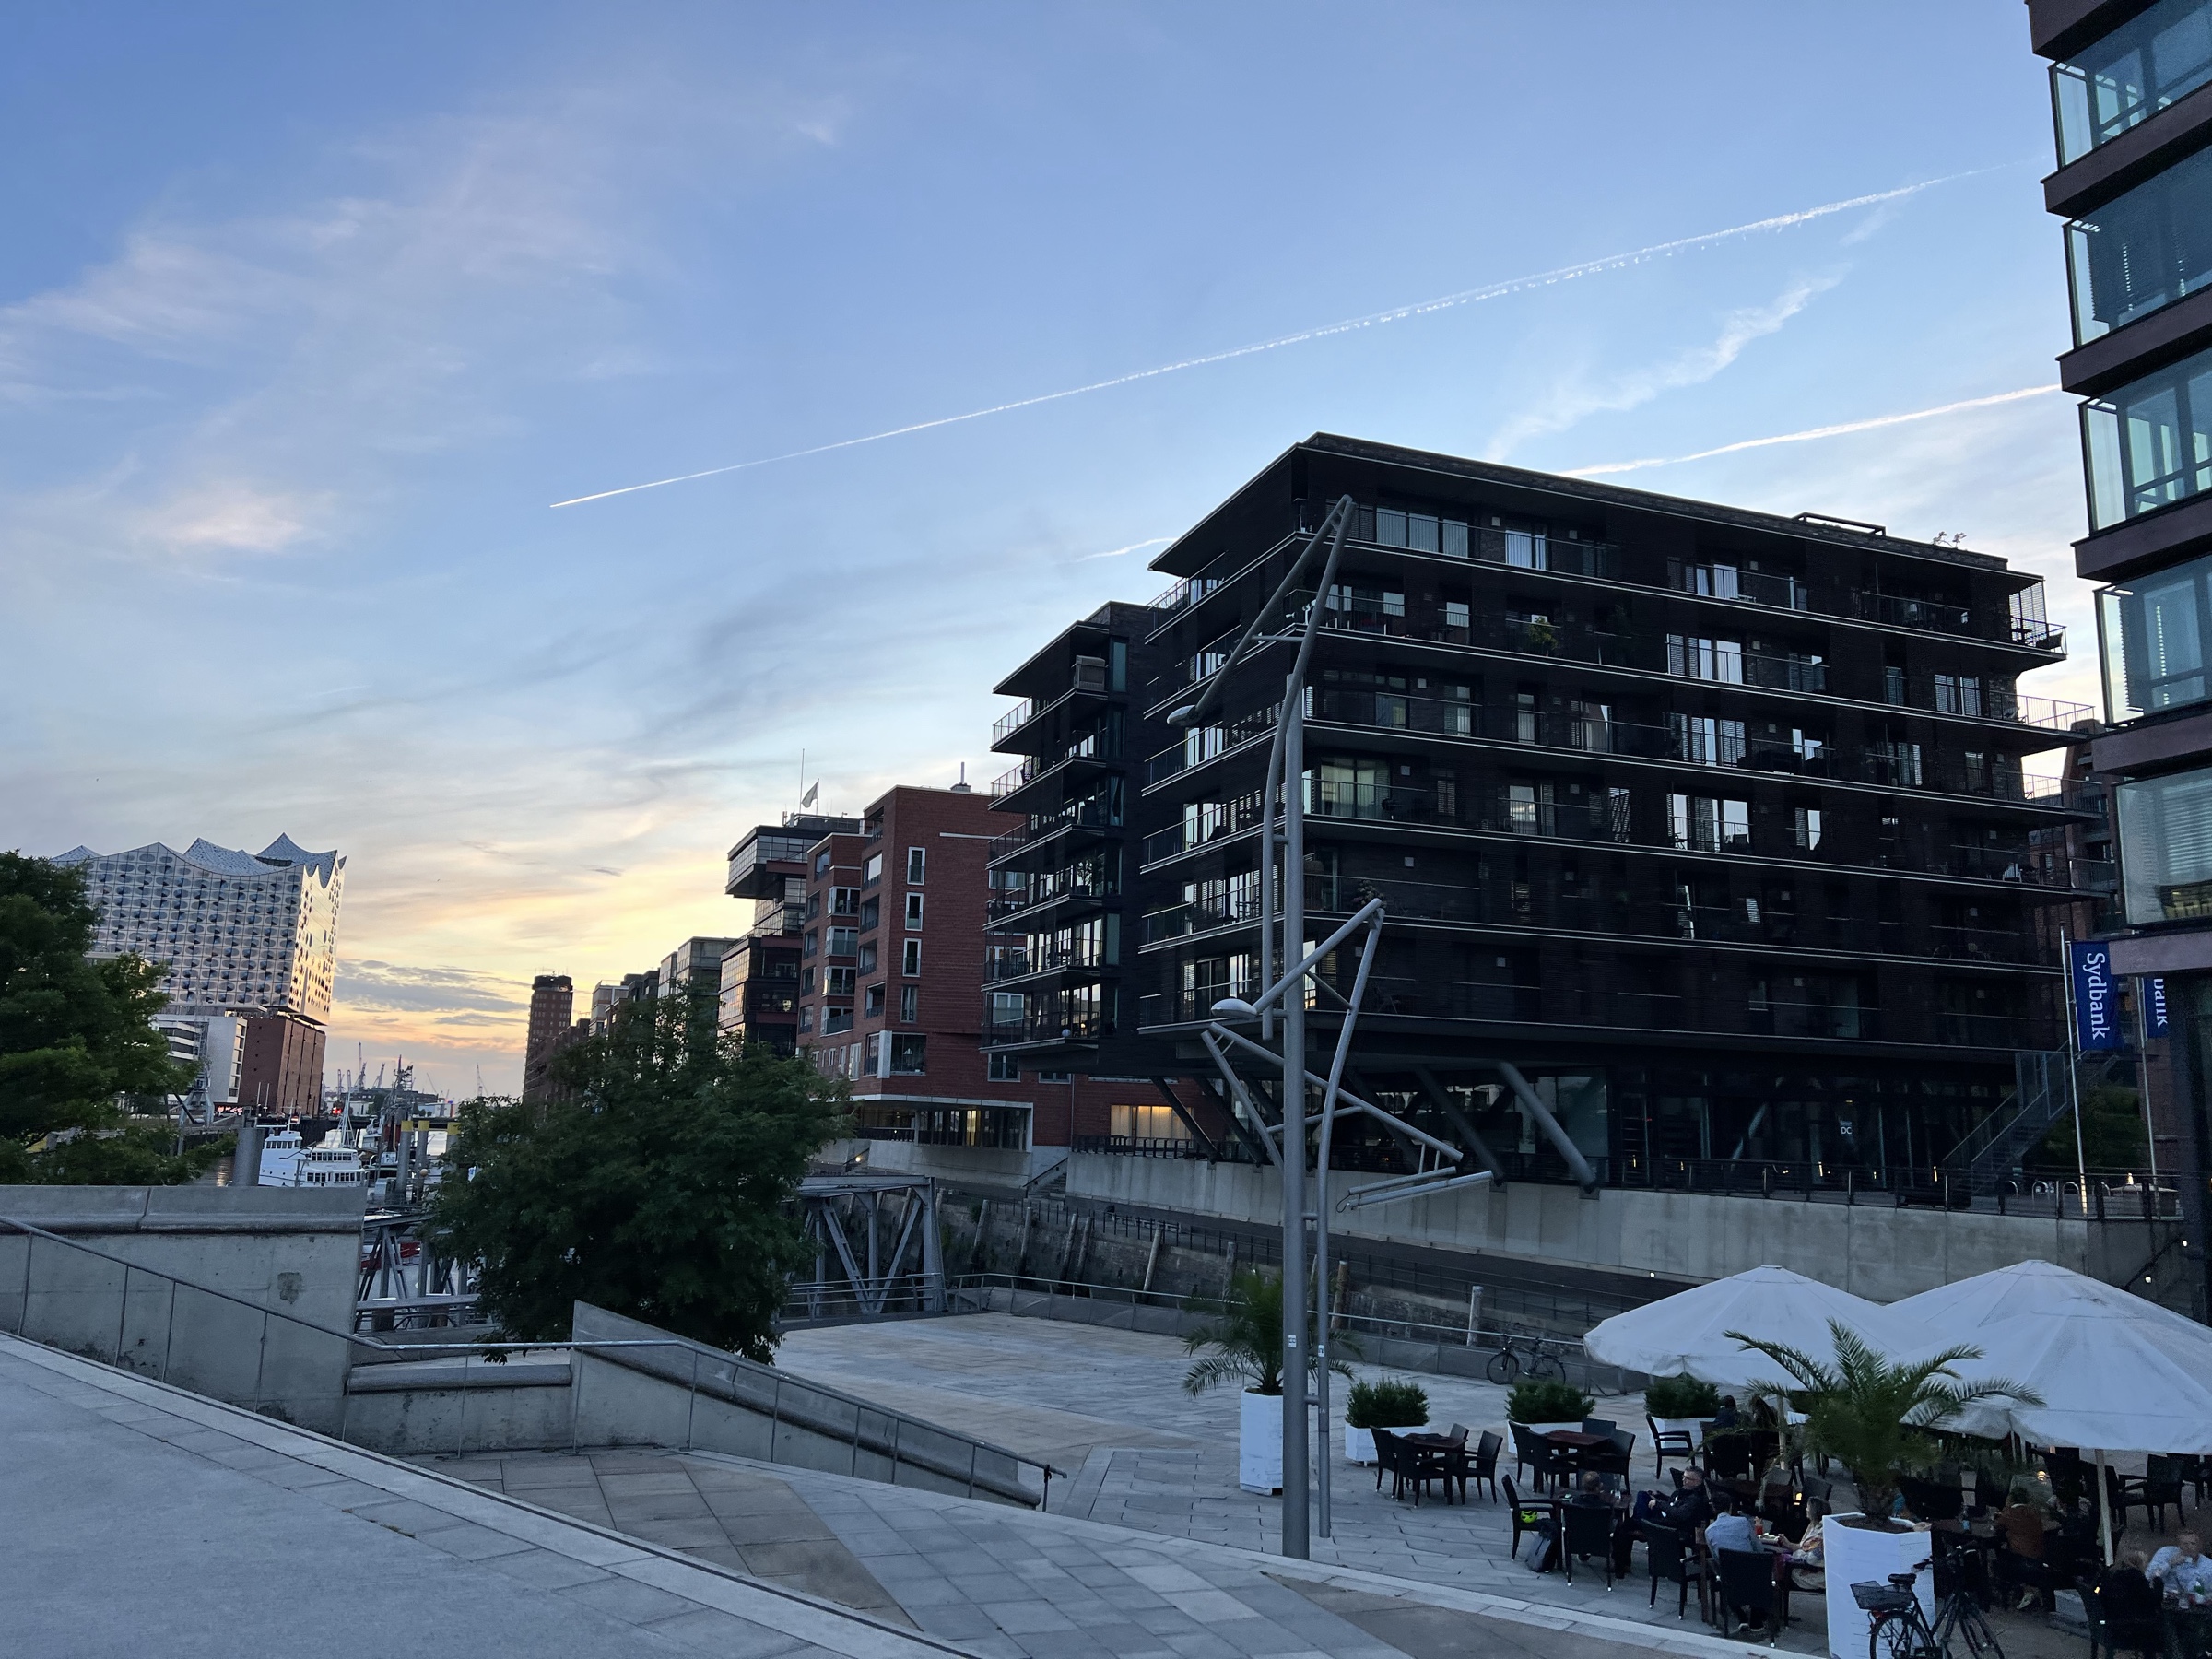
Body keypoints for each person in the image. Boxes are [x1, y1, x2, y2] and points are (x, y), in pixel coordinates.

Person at [1994, 1483, 2056, 1613]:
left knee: (1998, 1559)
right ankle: (2028, 1589)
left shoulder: (2010, 1512)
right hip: (2039, 1557)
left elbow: (1996, 1526)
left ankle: (2022, 1589)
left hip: (2021, 1558)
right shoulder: (2034, 1512)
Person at [2152, 1532, 2212, 1601]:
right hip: (2168, 1600)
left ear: (2199, 1547)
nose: (2189, 1547)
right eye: (2185, 1544)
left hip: (2195, 1603)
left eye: (2193, 1544)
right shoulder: (2168, 1556)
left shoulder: (2208, 1565)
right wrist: (2170, 1564)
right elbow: (2152, 1577)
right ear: (2179, 1546)